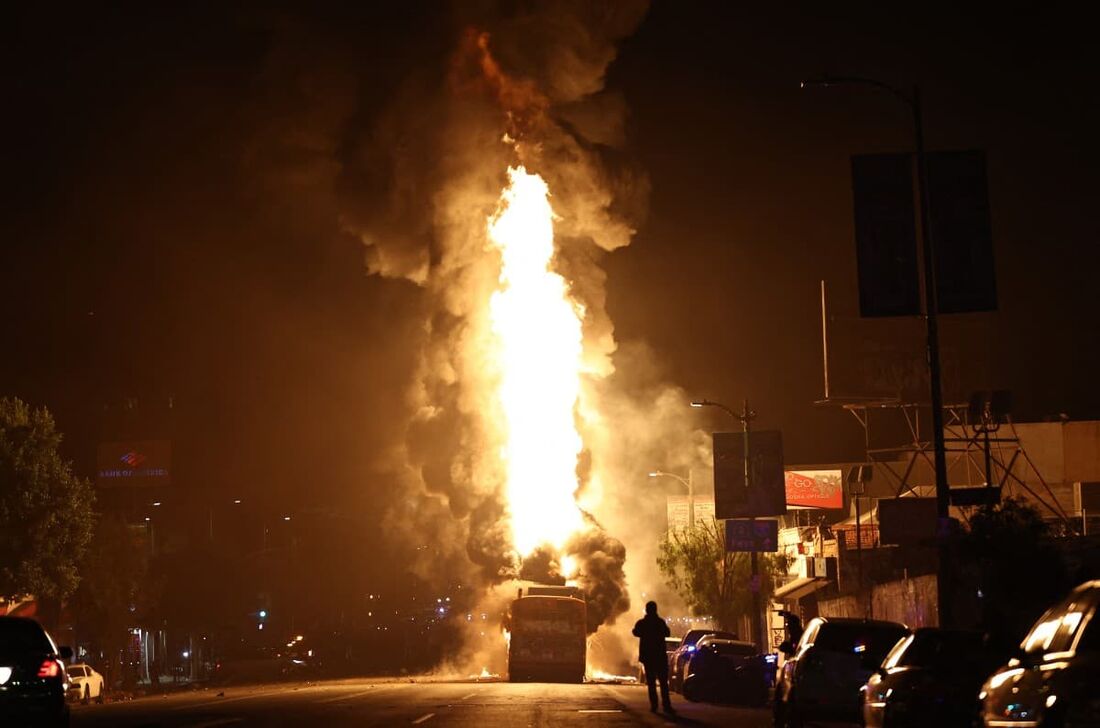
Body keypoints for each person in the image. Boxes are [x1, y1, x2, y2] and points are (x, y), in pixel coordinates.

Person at [633, 601, 674, 713]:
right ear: (655, 610)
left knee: (651, 683)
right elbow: (667, 633)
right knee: (663, 683)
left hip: (648, 658)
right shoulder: (660, 622)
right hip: (659, 657)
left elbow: (635, 632)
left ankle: (654, 706)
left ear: (647, 610)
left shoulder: (642, 623)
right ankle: (666, 705)